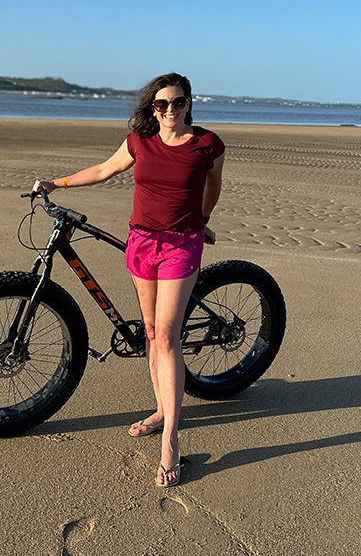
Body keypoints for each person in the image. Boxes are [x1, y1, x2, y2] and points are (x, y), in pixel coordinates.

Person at [33, 72, 225, 487]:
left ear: (189, 103)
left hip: (180, 244)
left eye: (177, 103)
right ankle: (161, 409)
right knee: (152, 331)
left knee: (168, 335)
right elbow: (104, 170)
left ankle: (171, 438)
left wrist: (203, 221)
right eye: (161, 104)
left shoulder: (207, 144)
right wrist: (56, 182)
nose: (170, 110)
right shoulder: (140, 142)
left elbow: (214, 185)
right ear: (152, 108)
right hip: (141, 241)